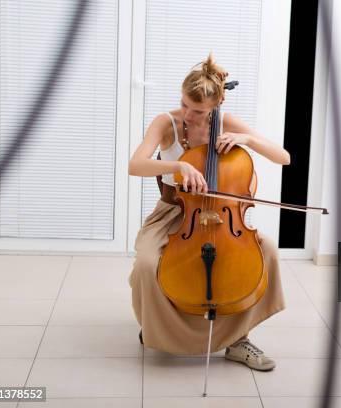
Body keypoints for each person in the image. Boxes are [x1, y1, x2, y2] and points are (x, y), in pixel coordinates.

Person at [127, 53, 290, 371]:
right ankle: (162, 332)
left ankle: (237, 339)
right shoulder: (166, 123)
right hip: (175, 212)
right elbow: (135, 165)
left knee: (267, 251)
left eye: (198, 110)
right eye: (185, 103)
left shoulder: (225, 122)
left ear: (215, 107)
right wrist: (177, 164)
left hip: (223, 215)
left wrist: (246, 139)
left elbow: (283, 157)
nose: (188, 113)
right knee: (147, 263)